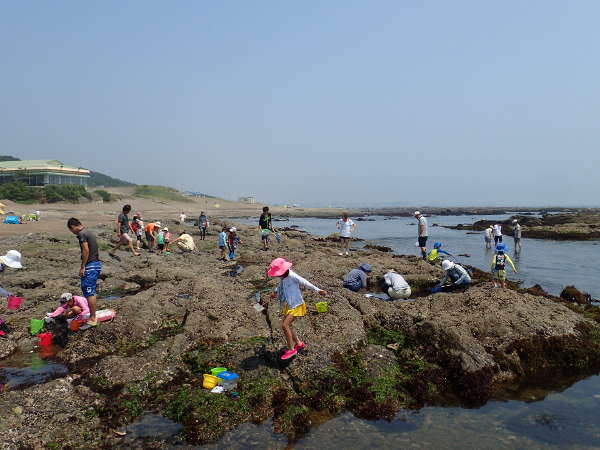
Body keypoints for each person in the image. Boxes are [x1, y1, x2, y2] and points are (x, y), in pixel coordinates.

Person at [267, 258, 327, 360]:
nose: (277, 275)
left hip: (297, 305)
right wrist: (275, 293)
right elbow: (280, 286)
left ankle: (291, 350)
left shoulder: (292, 276)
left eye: (278, 273)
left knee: (284, 325)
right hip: (290, 305)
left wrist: (318, 290)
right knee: (288, 325)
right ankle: (298, 343)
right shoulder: (283, 278)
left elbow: (305, 282)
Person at [67, 218, 101, 326]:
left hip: (90, 265)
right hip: (96, 264)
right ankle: (92, 314)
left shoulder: (82, 234)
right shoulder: (88, 232)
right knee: (90, 290)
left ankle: (92, 317)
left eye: (71, 230)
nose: (72, 232)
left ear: (73, 227)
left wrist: (83, 267)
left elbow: (86, 250)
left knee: (89, 291)